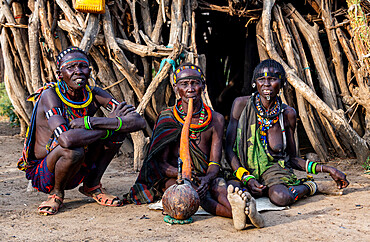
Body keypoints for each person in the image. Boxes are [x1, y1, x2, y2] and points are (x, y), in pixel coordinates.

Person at [126, 63, 264, 230]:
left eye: (195, 83)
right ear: (176, 88)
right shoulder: (167, 118)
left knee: (220, 189)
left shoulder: (216, 119)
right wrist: (185, 176)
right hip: (175, 178)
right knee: (191, 195)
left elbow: (214, 161)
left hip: (205, 176)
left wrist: (207, 179)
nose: (190, 88)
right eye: (184, 84)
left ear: (203, 86)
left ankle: (240, 209)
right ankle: (244, 215)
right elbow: (161, 163)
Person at [17, 47, 146, 215]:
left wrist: (90, 121)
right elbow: (66, 140)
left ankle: (92, 186)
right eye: (71, 67)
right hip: (46, 171)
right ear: (59, 74)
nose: (78, 72)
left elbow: (138, 121)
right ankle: (56, 193)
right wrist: (111, 126)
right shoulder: (51, 95)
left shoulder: (94, 94)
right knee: (73, 150)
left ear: (89, 71)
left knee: (116, 134)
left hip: (79, 164)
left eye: (82, 67)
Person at [225, 59, 349, 208]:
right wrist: (247, 178)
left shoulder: (287, 114)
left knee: (281, 197)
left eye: (272, 79)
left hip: (274, 172)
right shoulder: (241, 105)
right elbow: (228, 149)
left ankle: (313, 187)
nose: (266, 84)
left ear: (282, 83)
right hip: (242, 169)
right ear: (254, 83)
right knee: (232, 192)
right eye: (261, 79)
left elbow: (292, 158)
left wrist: (328, 169)